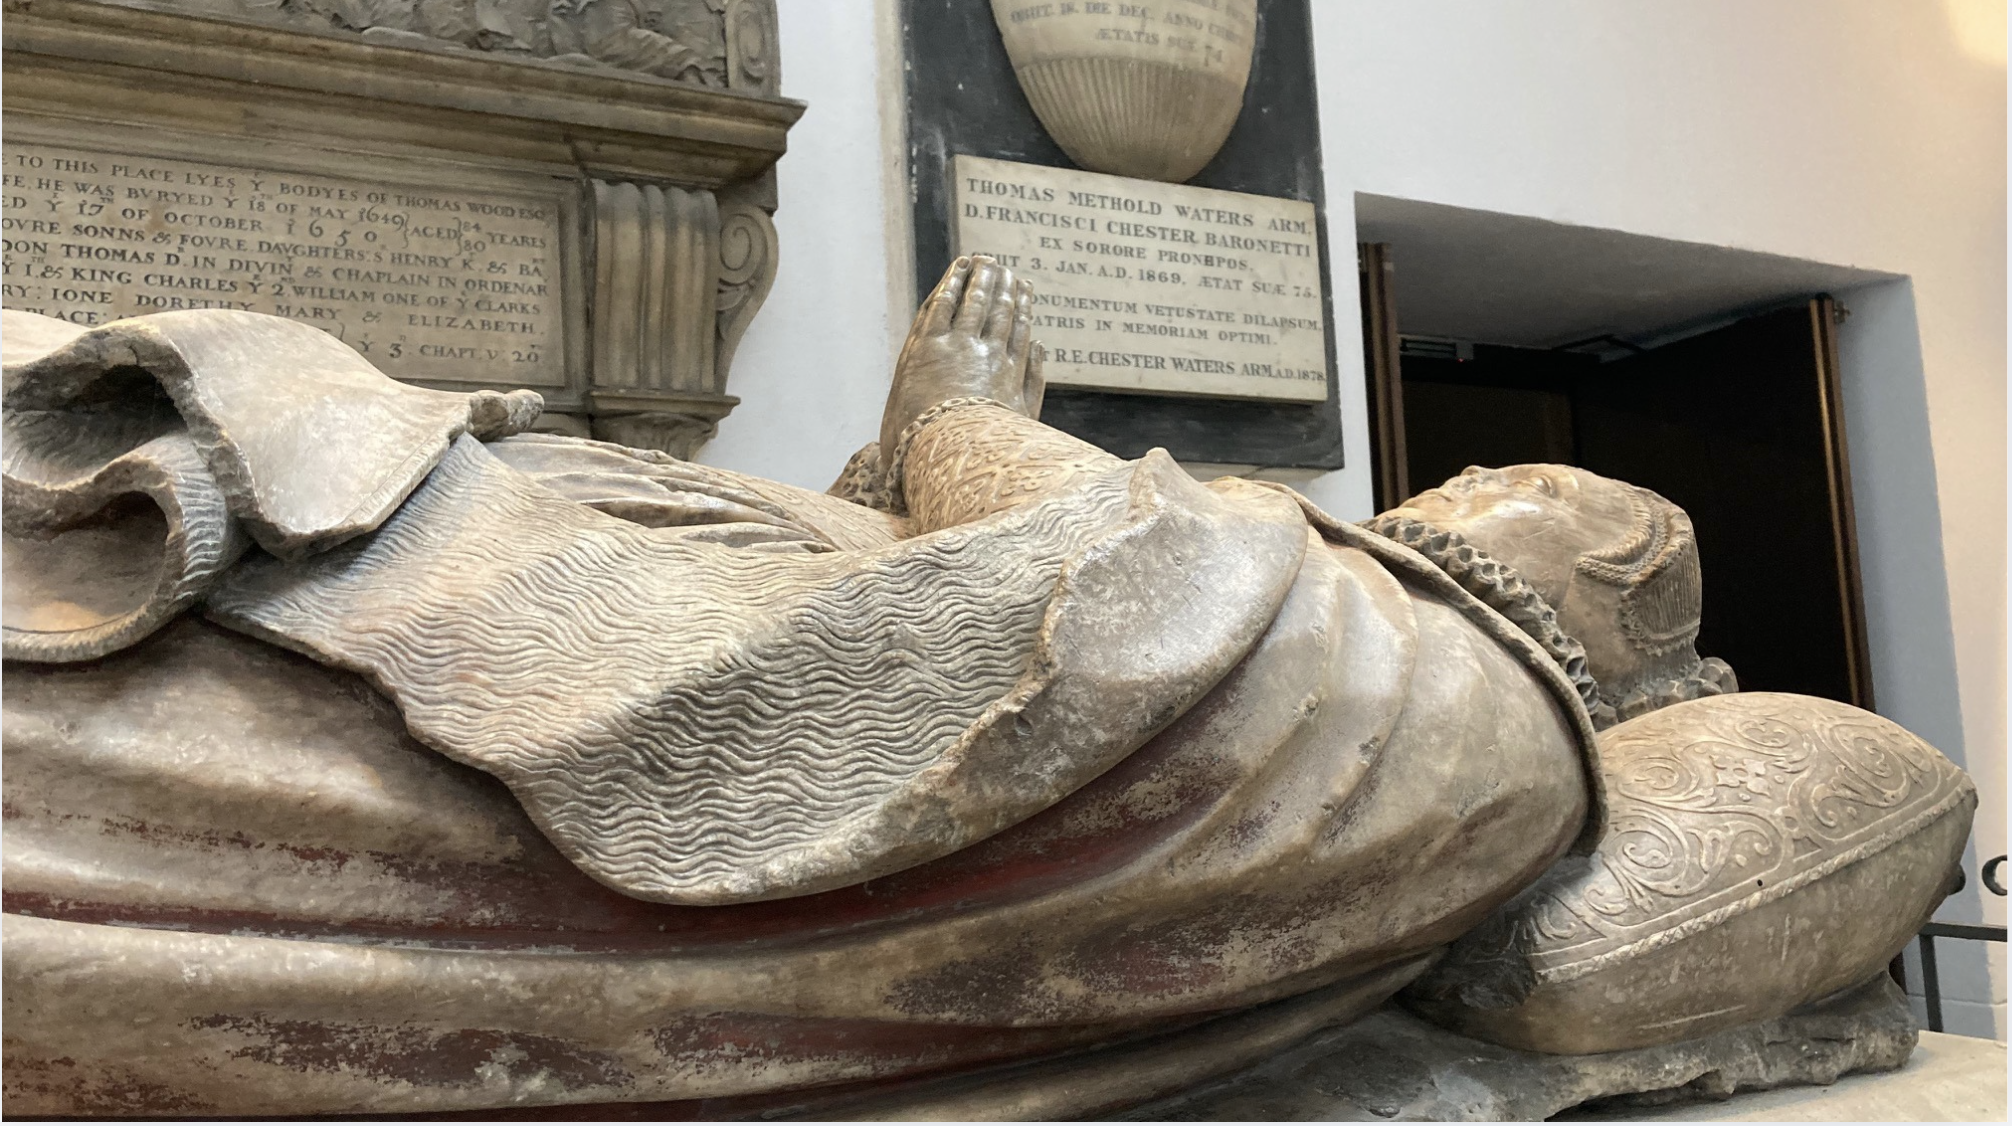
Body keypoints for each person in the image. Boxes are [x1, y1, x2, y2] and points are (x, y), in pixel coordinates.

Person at [0, 257, 1965, 1117]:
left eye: (1565, 512)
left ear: (1631, 663)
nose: (1481, 488)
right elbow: (929, 615)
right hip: (525, 576)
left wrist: (960, 422)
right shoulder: (1357, 627)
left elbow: (1112, 618)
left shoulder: (1456, 696)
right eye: (1505, 467)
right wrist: (898, 465)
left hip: (479, 684)